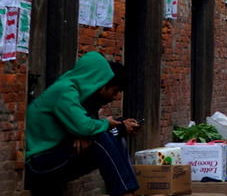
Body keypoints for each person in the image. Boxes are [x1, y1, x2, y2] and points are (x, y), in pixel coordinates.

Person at [25, 52, 141, 196]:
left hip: (52, 157)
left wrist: (87, 132)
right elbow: (85, 127)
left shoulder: (77, 95)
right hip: (36, 165)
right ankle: (124, 192)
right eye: (113, 90)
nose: (115, 96)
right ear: (96, 80)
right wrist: (96, 127)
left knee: (112, 136)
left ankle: (129, 190)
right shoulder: (64, 91)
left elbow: (84, 126)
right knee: (101, 138)